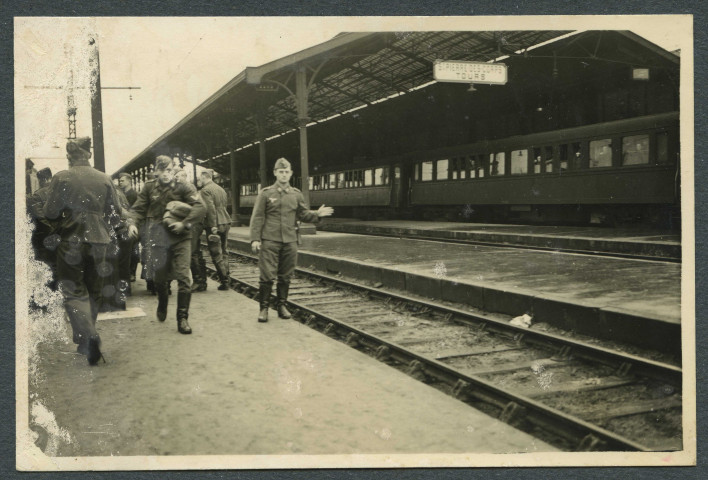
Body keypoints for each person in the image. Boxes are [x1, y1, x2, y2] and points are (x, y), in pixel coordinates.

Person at [42, 137, 124, 365]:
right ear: (89, 155)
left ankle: (89, 336)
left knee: (73, 291)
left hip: (72, 239)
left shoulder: (61, 177)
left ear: (70, 157)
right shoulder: (104, 178)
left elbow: (50, 212)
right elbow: (115, 213)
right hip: (99, 241)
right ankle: (85, 339)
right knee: (94, 290)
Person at [127, 155, 206, 334]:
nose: (166, 174)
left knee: (184, 278)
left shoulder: (184, 186)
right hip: (158, 239)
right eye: (162, 171)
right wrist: (132, 223)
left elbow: (200, 207)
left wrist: (184, 223)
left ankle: (182, 318)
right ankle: (162, 302)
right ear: (156, 171)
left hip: (181, 237)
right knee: (160, 280)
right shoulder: (149, 188)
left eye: (169, 170)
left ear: (173, 170)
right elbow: (138, 208)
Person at [249, 157, 333, 323]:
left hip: (290, 240)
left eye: (287, 172)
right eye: (281, 172)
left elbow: (303, 214)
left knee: (286, 275)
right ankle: (264, 309)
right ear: (275, 173)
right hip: (270, 240)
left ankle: (281, 306)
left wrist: (316, 214)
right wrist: (255, 239)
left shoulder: (296, 194)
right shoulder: (266, 193)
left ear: (291, 173)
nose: (284, 175)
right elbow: (257, 217)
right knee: (267, 275)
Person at [193, 169, 231, 291]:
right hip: (226, 220)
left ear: (205, 177)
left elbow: (210, 209)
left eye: (200, 178)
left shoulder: (205, 190)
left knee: (215, 253)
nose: (199, 180)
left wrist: (213, 225)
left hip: (214, 224)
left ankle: (224, 281)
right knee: (224, 251)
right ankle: (227, 278)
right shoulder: (220, 189)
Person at [118, 172, 139, 282]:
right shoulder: (121, 193)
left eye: (122, 181)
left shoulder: (133, 194)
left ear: (129, 181)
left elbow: (135, 210)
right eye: (119, 181)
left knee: (134, 250)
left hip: (132, 223)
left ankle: (132, 272)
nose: (120, 182)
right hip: (126, 223)